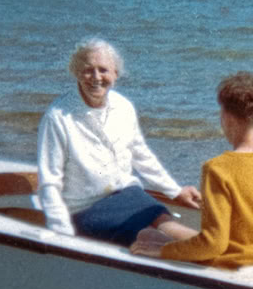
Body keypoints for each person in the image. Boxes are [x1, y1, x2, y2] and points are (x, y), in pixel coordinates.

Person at [36, 38, 202, 246]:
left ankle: (216, 250)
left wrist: (175, 191)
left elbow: (142, 156)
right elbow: (49, 181)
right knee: (150, 236)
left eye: (103, 70)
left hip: (128, 194)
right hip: (85, 209)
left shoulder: (123, 107)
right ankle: (212, 253)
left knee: (164, 221)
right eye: (88, 70)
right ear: (76, 72)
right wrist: (63, 235)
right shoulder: (58, 117)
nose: (96, 77)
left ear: (115, 74)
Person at [131, 72, 253, 268]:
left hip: (232, 268)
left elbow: (213, 244)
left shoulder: (218, 169)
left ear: (226, 119)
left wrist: (164, 252)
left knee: (147, 235)